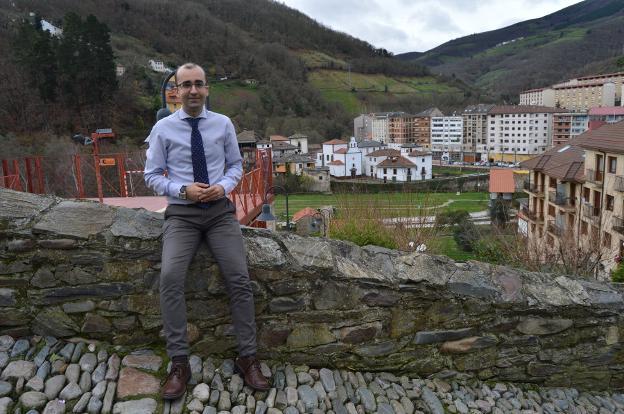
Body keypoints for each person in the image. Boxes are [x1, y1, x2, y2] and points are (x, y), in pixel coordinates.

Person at [144, 62, 270, 399]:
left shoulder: (223, 124)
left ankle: (248, 357)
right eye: (186, 85)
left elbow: (235, 166)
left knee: (239, 278)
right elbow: (152, 174)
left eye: (199, 84)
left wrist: (224, 187)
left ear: (207, 88)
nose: (193, 90)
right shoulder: (164, 129)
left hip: (218, 213)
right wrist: (183, 190)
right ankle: (179, 363)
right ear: (177, 91)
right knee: (170, 278)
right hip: (182, 214)